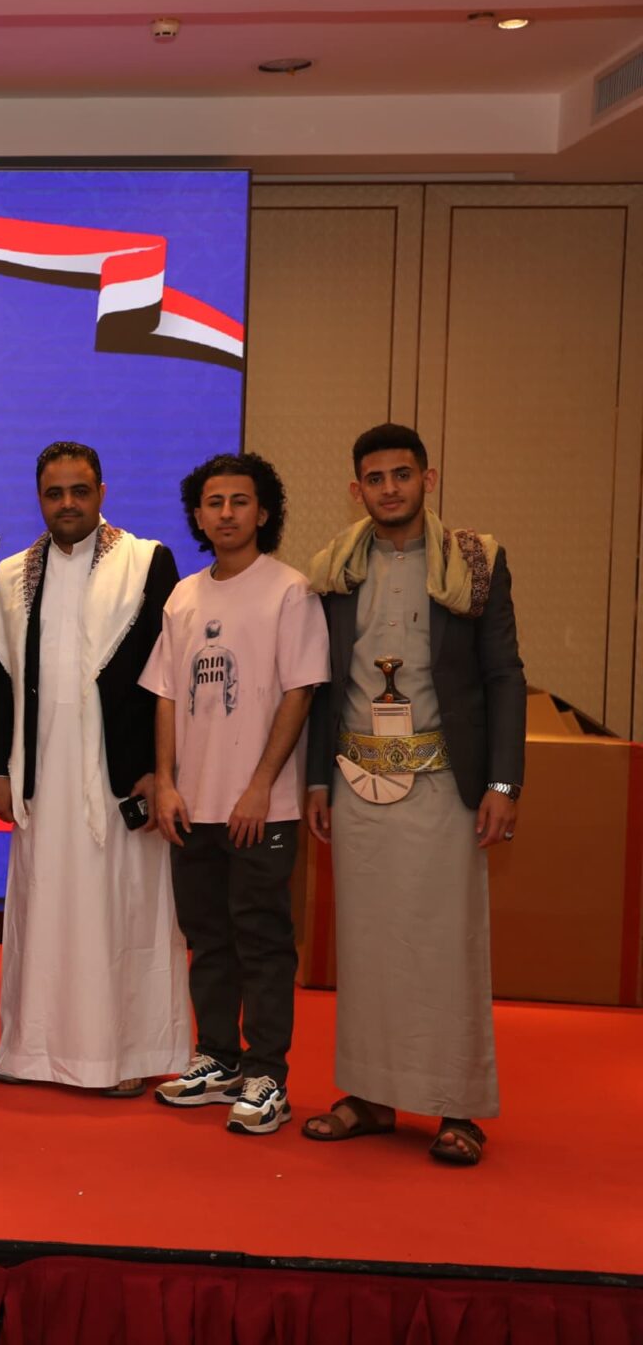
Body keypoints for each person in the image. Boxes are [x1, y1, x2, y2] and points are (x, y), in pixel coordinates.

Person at [300, 423, 524, 1166]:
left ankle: (458, 1106)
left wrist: (503, 782)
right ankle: (370, 1096)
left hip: (445, 785)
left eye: (402, 474)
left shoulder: (476, 562)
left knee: (446, 947)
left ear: (428, 480)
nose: (389, 488)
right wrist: (317, 779)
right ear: (356, 488)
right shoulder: (334, 568)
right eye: (375, 477)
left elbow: (504, 676)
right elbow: (323, 684)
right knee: (367, 949)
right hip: (357, 784)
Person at [0, 442, 190, 1095]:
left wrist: (160, 768)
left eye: (79, 490)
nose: (67, 503)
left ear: (101, 492)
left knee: (120, 913)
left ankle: (121, 1057)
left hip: (121, 776)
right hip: (42, 775)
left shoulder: (146, 561)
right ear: (39, 498)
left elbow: (168, 678)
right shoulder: (11, 577)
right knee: (43, 909)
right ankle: (33, 1051)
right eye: (54, 493)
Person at [140, 451, 327, 1136]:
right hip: (194, 807)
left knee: (263, 941)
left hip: (262, 808)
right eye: (214, 502)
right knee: (208, 938)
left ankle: (267, 1074)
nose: (226, 513)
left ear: (264, 511)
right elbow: (165, 695)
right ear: (197, 515)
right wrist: (166, 782)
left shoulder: (290, 591)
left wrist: (259, 787)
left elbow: (300, 692)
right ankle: (218, 1058)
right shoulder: (183, 596)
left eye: (239, 501)